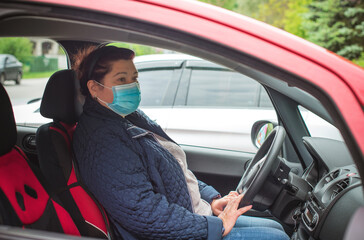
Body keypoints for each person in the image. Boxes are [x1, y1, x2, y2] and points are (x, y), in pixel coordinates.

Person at [72, 45, 290, 240]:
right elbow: (143, 212)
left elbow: (173, 170)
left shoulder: (129, 118)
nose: (133, 86)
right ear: (94, 88)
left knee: (275, 228)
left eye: (134, 78)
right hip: (172, 230)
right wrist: (214, 228)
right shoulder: (102, 140)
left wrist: (211, 199)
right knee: (275, 237)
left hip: (191, 215)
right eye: (121, 79)